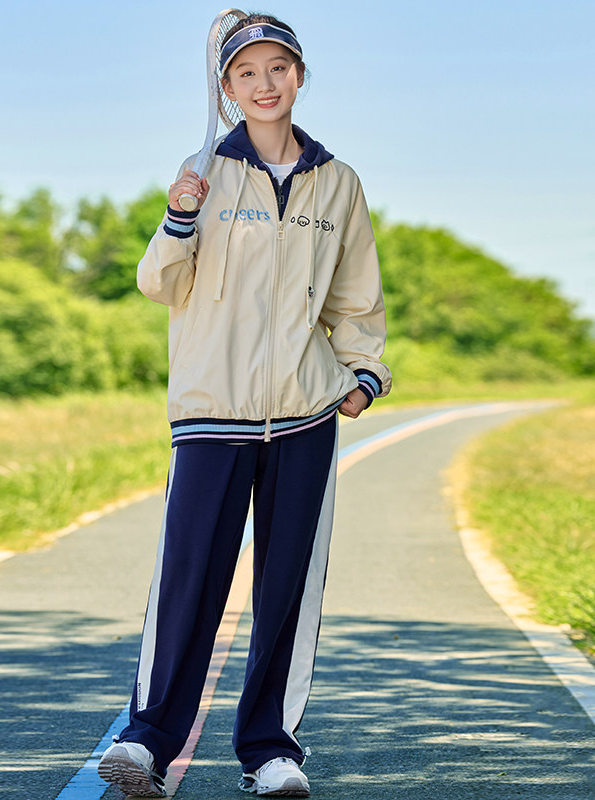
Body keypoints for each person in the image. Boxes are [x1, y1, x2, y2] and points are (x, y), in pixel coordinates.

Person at [98, 12, 391, 798]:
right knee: (188, 578)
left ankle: (270, 750)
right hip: (209, 412)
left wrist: (363, 376)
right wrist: (178, 217)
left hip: (305, 414)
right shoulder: (203, 173)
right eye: (246, 73)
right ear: (226, 90)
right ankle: (146, 741)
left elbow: (356, 298)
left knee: (288, 585)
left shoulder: (340, 182)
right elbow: (159, 283)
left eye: (278, 68)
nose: (265, 84)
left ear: (300, 76)